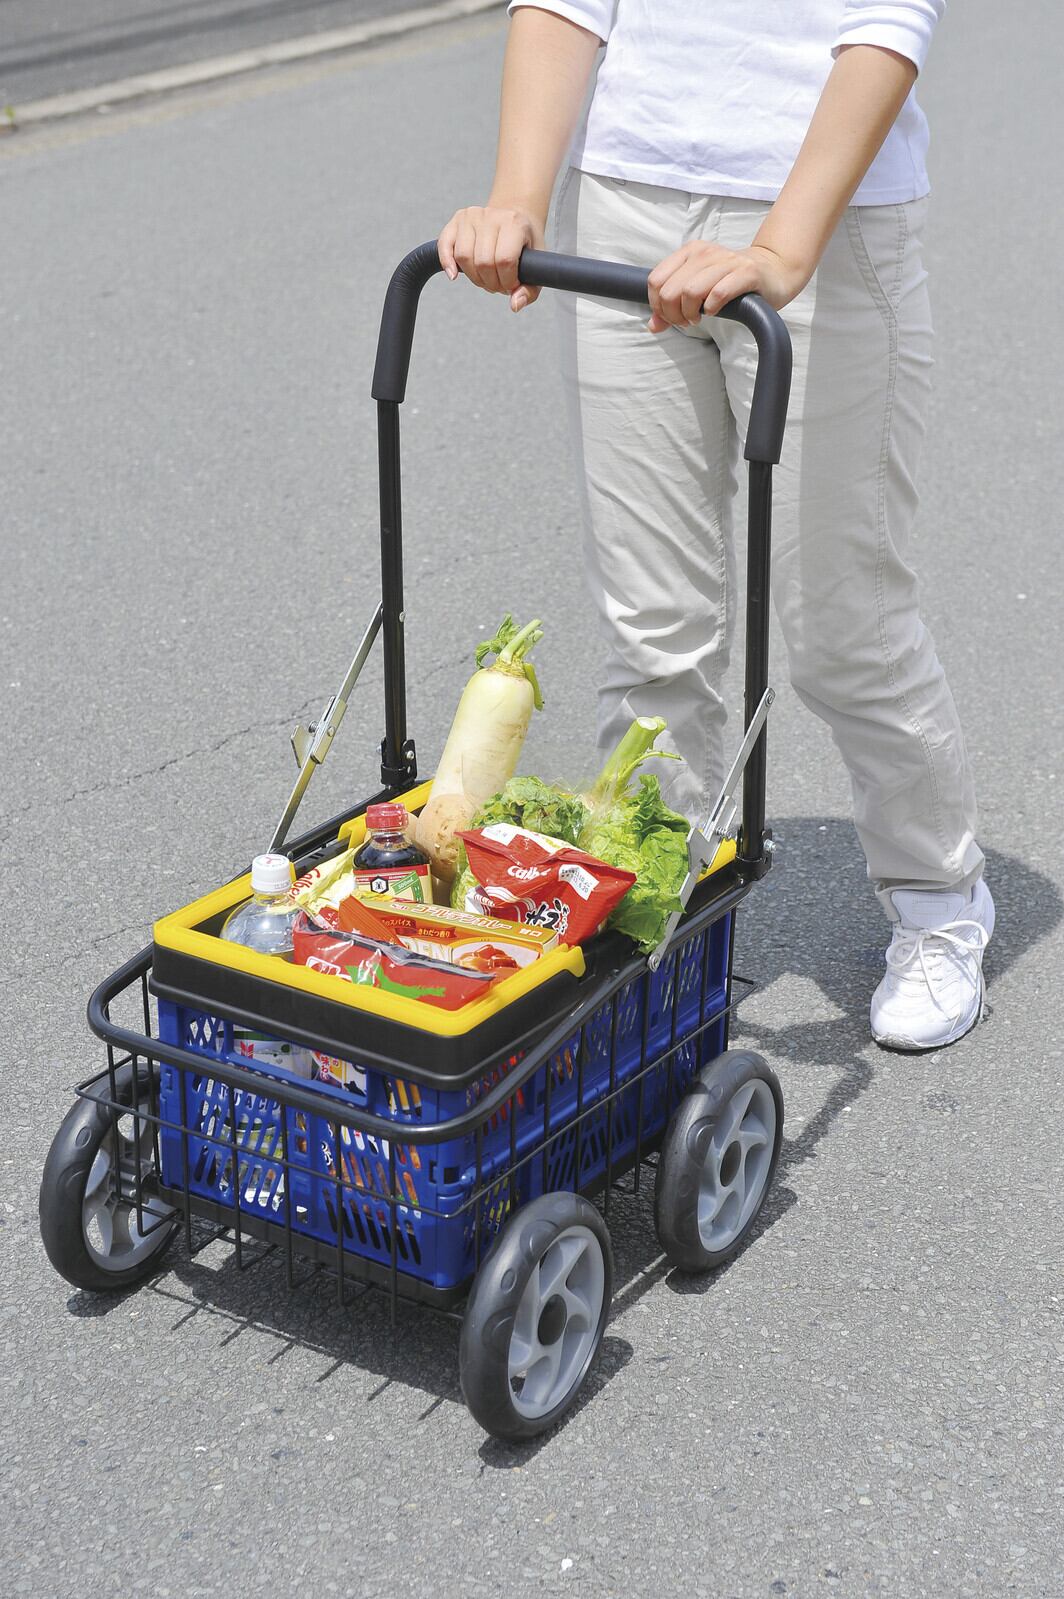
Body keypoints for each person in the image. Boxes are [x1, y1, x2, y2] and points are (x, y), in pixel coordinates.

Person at [438, 0, 993, 1053]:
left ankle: (939, 897)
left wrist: (779, 246)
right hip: (625, 200)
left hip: (823, 217)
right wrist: (518, 195)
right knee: (654, 631)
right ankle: (654, 920)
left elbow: (886, 27)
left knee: (846, 629)